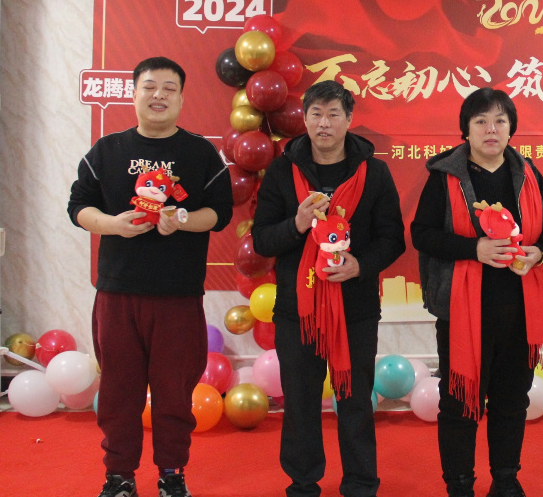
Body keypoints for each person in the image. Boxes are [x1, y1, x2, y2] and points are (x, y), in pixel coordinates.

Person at [68, 57, 234, 497]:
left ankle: (172, 474)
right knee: (119, 390)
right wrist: (112, 224)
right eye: (149, 86)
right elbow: (78, 207)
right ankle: (119, 475)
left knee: (174, 392)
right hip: (117, 293)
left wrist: (182, 219)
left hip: (178, 295)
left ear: (181, 98)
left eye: (169, 88)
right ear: (134, 93)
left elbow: (219, 213)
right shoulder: (107, 150)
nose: (158, 95)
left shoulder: (200, 153)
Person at [411, 88, 543, 497]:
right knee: (460, 402)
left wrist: (538, 251)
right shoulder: (445, 177)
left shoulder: (527, 173)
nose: (490, 129)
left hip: (520, 310)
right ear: (466, 130)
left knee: (512, 401)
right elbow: (422, 234)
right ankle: (460, 484)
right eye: (480, 121)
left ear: (511, 128)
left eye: (499, 121)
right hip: (463, 311)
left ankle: (506, 479)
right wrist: (473, 249)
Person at [252, 80, 405, 497]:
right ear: (304, 119)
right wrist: (297, 224)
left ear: (349, 120)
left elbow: (393, 239)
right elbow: (262, 239)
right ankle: (303, 484)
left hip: (355, 309)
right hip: (298, 312)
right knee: (300, 403)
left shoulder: (373, 173)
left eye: (334, 114)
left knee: (355, 400)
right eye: (316, 114)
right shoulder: (283, 171)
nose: (324, 123)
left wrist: (360, 265)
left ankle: (360, 483)